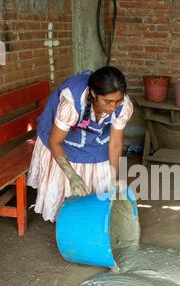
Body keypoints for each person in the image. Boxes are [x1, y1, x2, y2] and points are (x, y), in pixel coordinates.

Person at [27, 66, 133, 222]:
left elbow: (116, 143)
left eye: (117, 101)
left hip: (94, 139)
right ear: (93, 93)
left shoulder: (123, 106)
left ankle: (91, 218)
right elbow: (55, 142)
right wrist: (72, 176)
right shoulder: (71, 100)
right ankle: (66, 220)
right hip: (62, 139)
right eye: (108, 102)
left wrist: (114, 178)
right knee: (71, 183)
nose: (112, 107)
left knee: (104, 179)